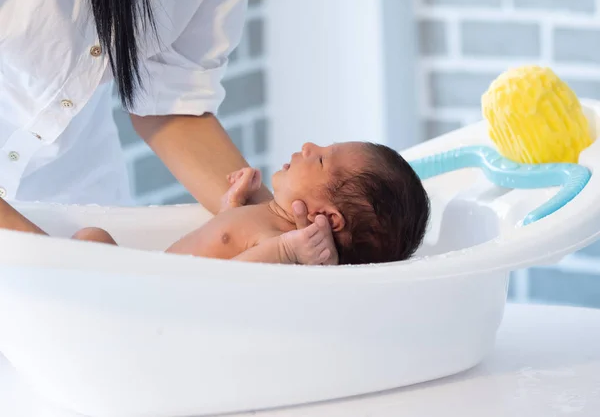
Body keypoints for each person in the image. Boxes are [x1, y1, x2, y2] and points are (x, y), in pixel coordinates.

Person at [0, 0, 338, 264]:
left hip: (79, 190)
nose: (309, 147)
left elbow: (172, 101)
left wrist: (271, 223)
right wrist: (54, 266)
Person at [0, 142, 431, 265]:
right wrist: (232, 209)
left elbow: (231, 284)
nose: (307, 145)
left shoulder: (285, 246)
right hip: (142, 285)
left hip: (154, 306)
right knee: (92, 239)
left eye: (319, 159)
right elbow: (226, 246)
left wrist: (284, 251)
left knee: (90, 241)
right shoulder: (270, 222)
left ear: (327, 218)